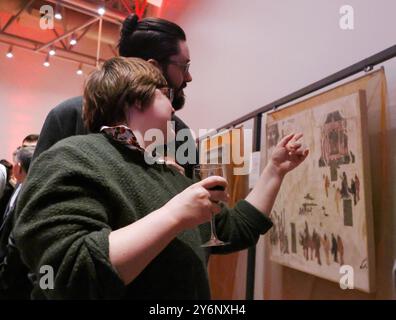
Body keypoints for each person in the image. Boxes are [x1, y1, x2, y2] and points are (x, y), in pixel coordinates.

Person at [14, 57, 308, 299]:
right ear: (136, 98)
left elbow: (233, 230)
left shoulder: (165, 170)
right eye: (164, 94)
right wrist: (175, 214)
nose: (173, 106)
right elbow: (70, 273)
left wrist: (275, 170)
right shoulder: (72, 156)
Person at [33, 14, 194, 177]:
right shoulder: (69, 116)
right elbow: (38, 190)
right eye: (184, 67)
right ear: (152, 67)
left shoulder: (181, 134)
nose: (189, 77)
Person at [0, 146, 35, 299]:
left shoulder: (30, 195)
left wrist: (4, 278)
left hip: (17, 279)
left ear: (18, 168)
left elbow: (16, 243)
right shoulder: (19, 186)